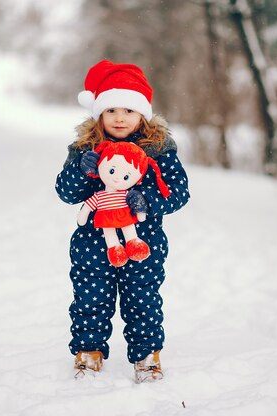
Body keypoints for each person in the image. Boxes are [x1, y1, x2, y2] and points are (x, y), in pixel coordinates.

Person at [55, 59, 190, 383]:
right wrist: (82, 170)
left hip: (142, 242)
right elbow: (65, 192)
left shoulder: (158, 149)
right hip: (93, 241)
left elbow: (178, 191)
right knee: (90, 297)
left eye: (128, 110)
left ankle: (146, 356)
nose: (119, 117)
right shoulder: (86, 148)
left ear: (142, 113)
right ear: (99, 113)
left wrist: (149, 200)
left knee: (142, 299)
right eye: (111, 109)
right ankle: (89, 352)